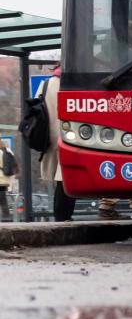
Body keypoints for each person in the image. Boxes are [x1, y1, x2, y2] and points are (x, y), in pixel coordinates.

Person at [40, 68, 74, 222]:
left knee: (61, 178)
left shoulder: (45, 84)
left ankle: (61, 215)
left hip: (50, 137)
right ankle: (62, 216)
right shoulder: (73, 83)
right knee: (66, 178)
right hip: (69, 135)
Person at [0, 140, 16, 223]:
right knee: (3, 201)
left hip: (1, 178)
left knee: (3, 200)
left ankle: (6, 218)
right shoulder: (7, 151)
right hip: (5, 179)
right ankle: (7, 218)